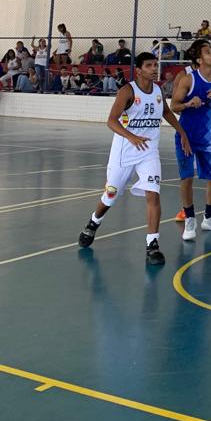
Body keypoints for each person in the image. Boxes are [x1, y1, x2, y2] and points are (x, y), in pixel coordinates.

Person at [77, 52, 189, 265]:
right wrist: (131, 136)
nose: (154, 68)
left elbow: (165, 111)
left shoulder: (157, 90)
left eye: (156, 65)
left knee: (153, 194)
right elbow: (111, 121)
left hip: (148, 152)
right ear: (138, 69)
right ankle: (94, 221)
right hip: (125, 152)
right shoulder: (127, 91)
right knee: (110, 195)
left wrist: (181, 132)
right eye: (149, 65)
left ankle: (152, 245)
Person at [171, 39, 211, 240]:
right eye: (208, 52)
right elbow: (174, 106)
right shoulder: (189, 79)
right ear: (199, 59)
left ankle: (209, 217)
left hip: (208, 136)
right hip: (187, 135)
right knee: (187, 177)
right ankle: (189, 220)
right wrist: (189, 103)